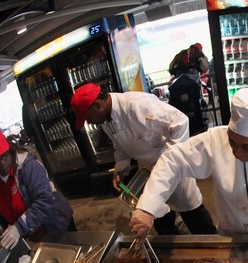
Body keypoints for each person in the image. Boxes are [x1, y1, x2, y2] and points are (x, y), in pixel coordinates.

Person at [129, 88, 248, 239]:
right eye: (232, 141)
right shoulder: (215, 139)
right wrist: (147, 207)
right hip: (232, 238)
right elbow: (173, 160)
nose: (237, 152)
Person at [70, 83, 216, 235]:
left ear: (97, 105)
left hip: (173, 171)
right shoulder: (106, 120)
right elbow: (120, 144)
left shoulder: (138, 105)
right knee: (161, 223)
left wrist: (173, 160)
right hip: (148, 173)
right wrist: (121, 167)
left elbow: (180, 122)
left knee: (196, 220)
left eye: (88, 117)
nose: (89, 122)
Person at [0, 128, 75, 249]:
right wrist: (0, 224)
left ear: (9, 149)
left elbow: (45, 199)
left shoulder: (27, 167)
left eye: (4, 155)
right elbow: (4, 210)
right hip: (35, 238)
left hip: (56, 226)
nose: (3, 162)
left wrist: (19, 227)